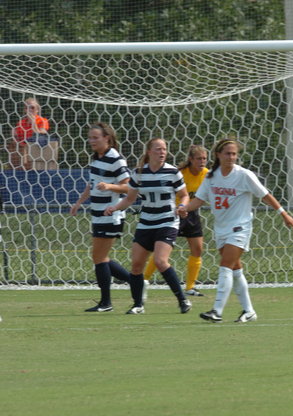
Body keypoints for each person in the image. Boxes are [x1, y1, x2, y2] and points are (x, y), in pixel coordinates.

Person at [178, 138, 293, 323]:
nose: (231, 157)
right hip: (221, 229)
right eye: (228, 153)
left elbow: (265, 195)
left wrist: (284, 214)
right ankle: (249, 311)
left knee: (225, 265)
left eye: (234, 154)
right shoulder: (211, 177)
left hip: (240, 227)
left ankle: (217, 311)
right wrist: (185, 208)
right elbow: (199, 200)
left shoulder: (244, 175)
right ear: (218, 155)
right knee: (235, 269)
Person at [105, 137, 191, 315]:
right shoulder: (139, 173)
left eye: (164, 149)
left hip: (167, 221)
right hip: (146, 223)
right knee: (136, 266)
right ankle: (138, 305)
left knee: (160, 261)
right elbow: (130, 198)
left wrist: (183, 206)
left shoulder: (172, 172)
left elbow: (184, 195)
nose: (162, 152)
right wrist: (115, 207)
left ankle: (183, 299)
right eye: (158, 149)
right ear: (149, 152)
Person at [70, 122, 131, 312]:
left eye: (95, 137)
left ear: (107, 138)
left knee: (99, 257)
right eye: (90, 138)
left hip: (111, 213)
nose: (91, 141)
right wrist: (79, 202)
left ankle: (106, 303)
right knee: (99, 257)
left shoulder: (116, 159)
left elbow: (128, 187)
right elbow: (92, 184)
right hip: (97, 213)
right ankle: (136, 282)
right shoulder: (97, 159)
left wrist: (110, 186)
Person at [143, 145, 209, 297]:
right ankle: (143, 279)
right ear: (190, 159)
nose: (202, 161)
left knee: (197, 249)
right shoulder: (179, 173)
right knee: (161, 253)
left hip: (191, 213)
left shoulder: (207, 174)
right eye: (198, 158)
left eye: (204, 158)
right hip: (174, 213)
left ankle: (190, 287)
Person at [8, 98, 50, 170]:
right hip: (21, 153)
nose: (29, 110)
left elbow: (41, 136)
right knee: (12, 146)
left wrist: (33, 122)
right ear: (24, 110)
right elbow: (17, 141)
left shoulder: (43, 121)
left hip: (35, 152)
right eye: (26, 108)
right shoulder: (20, 123)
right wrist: (14, 136)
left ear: (37, 109)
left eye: (32, 107)